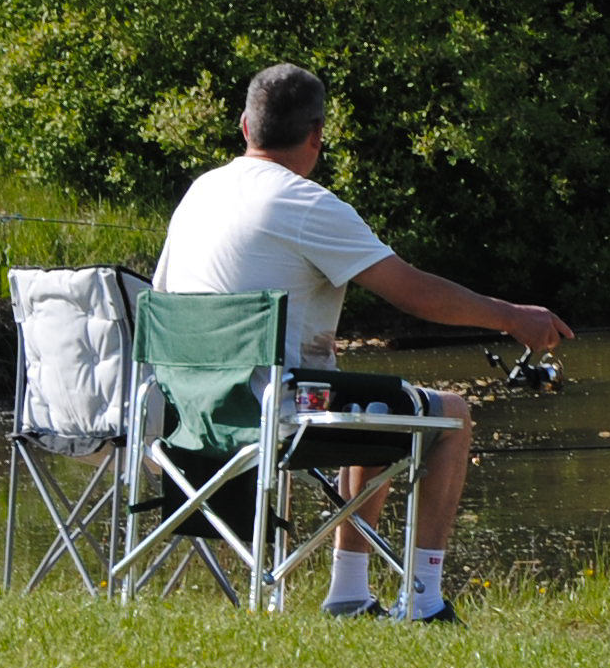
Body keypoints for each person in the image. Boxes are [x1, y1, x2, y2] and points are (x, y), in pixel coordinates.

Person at [153, 62, 571, 624]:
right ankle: (422, 601)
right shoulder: (305, 204)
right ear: (317, 136)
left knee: (373, 401)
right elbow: (412, 291)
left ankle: (349, 596)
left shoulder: (199, 194)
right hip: (274, 410)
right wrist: (511, 317)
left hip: (185, 412)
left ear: (245, 127)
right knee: (450, 415)